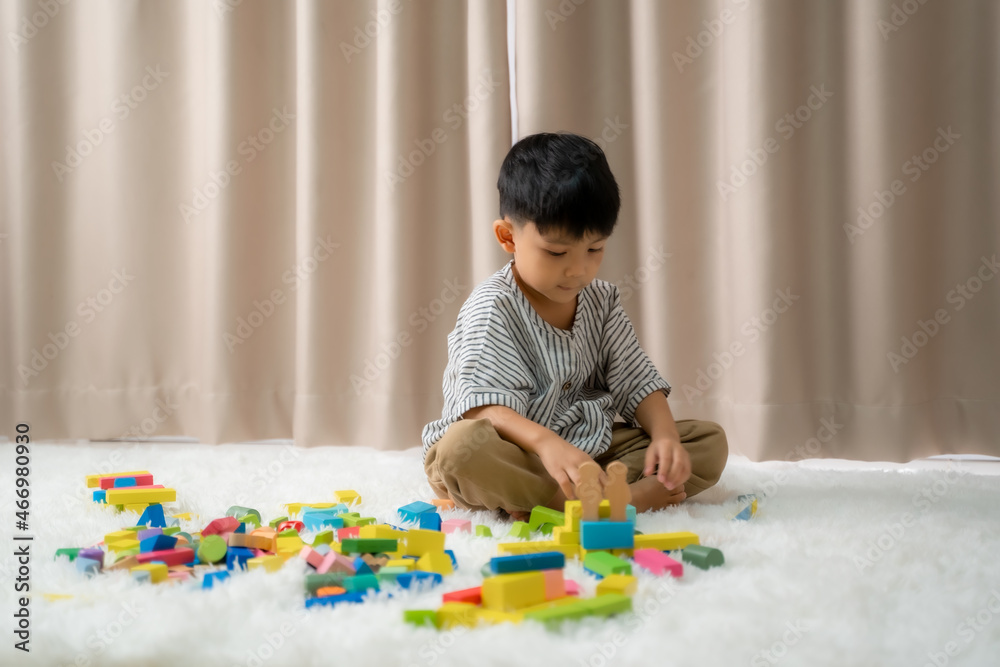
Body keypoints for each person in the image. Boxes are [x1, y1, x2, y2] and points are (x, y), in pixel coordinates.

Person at [421, 132, 728, 521]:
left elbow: (636, 380)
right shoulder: (493, 306)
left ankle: (557, 498)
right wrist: (546, 443)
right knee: (459, 452)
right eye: (556, 252)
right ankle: (600, 505)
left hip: (584, 448)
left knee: (707, 441)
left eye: (594, 249)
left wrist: (666, 438)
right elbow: (483, 410)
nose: (578, 270)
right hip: (513, 448)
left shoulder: (602, 300)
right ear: (508, 236)